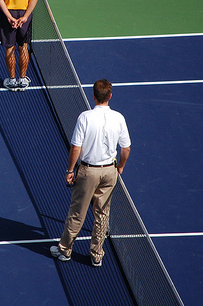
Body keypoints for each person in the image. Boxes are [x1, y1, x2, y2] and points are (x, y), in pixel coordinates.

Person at [50, 79, 131, 267]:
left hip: (88, 172)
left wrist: (70, 170)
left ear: (94, 96)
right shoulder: (119, 118)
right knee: (102, 214)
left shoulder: (85, 117)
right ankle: (96, 255)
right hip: (110, 172)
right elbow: (126, 148)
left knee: (77, 213)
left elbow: (75, 148)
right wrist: (120, 166)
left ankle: (65, 250)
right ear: (110, 96)